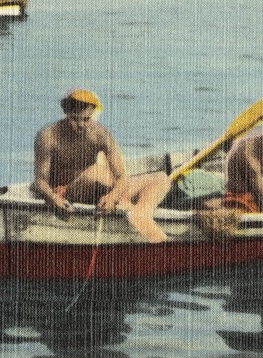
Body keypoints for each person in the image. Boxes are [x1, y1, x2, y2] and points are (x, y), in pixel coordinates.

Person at [31, 88, 171, 243]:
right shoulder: (48, 136)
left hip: (102, 188)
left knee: (161, 178)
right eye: (75, 119)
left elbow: (121, 178)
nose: (81, 125)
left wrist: (112, 197)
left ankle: (141, 212)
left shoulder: (100, 134)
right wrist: (53, 199)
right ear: (67, 114)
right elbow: (40, 181)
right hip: (68, 193)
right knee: (96, 172)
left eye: (86, 119)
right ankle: (126, 205)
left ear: (93, 115)